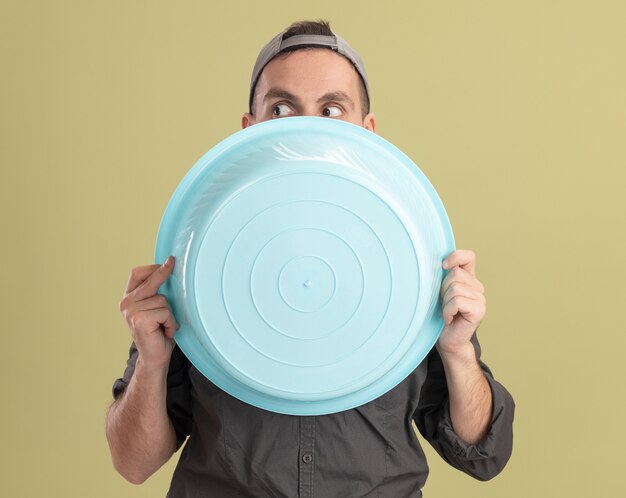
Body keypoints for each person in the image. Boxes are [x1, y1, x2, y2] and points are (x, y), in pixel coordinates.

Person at [106, 20, 515, 498]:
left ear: (368, 132)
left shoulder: (415, 260)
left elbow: (482, 454)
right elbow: (134, 464)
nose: (306, 126)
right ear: (249, 128)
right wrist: (152, 365)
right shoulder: (194, 257)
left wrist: (458, 351)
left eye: (331, 108)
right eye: (282, 108)